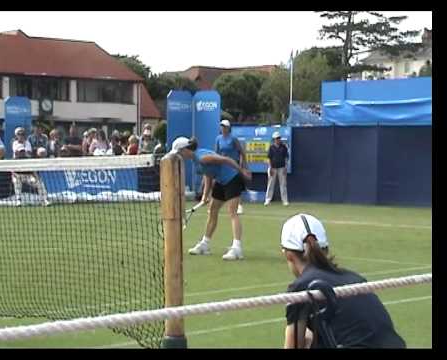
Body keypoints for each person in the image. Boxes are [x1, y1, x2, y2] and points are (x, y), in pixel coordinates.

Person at [281, 213, 406, 349]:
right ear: (326, 249)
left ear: (288, 255)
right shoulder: (355, 277)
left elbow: (292, 346)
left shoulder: (303, 286)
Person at [170, 136, 252, 260]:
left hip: (233, 178)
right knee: (212, 210)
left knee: (232, 212)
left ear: (185, 150)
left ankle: (237, 248)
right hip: (221, 181)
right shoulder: (196, 161)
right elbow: (208, 175)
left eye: (179, 153)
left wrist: (242, 171)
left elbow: (226, 160)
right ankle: (205, 244)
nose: (179, 156)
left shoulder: (202, 157)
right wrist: (205, 195)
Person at [215, 119, 247, 214]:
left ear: (228, 128)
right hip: (223, 166)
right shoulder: (218, 139)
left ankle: (239, 206)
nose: (222, 128)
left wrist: (241, 165)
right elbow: (217, 152)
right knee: (221, 185)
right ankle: (217, 206)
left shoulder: (233, 139)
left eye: (224, 127)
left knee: (236, 187)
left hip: (233, 166)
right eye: (221, 126)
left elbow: (241, 152)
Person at [265, 131, 289, 206]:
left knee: (283, 184)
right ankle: (268, 200)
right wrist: (270, 167)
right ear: (274, 139)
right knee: (270, 184)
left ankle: (285, 200)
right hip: (273, 168)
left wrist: (285, 167)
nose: (278, 140)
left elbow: (286, 157)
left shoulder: (283, 147)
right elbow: (269, 158)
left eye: (279, 138)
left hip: (281, 167)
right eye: (276, 138)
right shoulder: (271, 147)